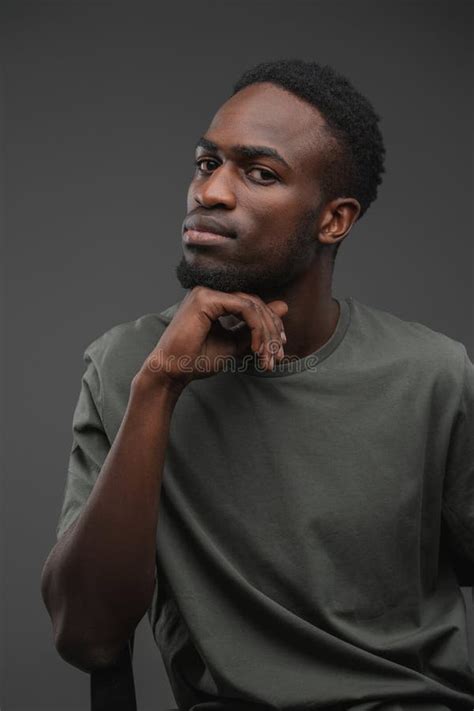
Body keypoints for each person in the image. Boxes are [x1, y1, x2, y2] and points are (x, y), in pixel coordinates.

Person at [41, 58, 474, 710]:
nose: (209, 192)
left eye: (259, 173)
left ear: (334, 220)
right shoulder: (126, 365)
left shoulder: (433, 374)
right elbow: (88, 638)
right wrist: (159, 387)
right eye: (206, 163)